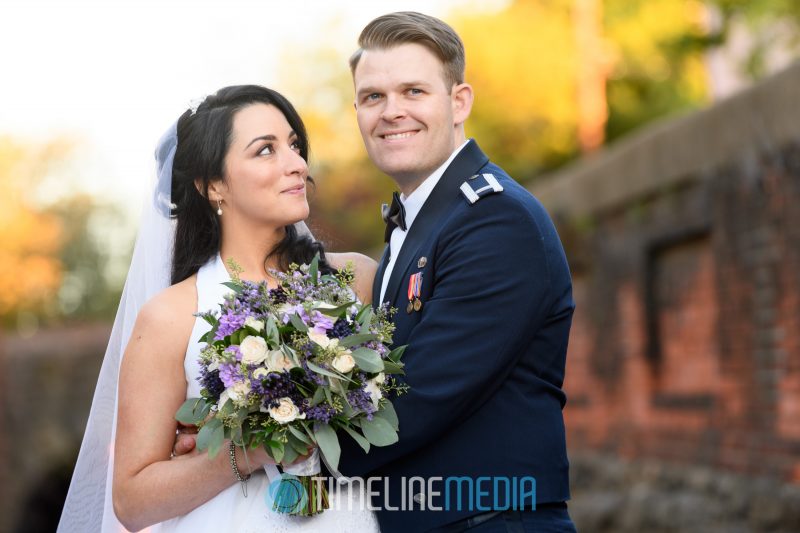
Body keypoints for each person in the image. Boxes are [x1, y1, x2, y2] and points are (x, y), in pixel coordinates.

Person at [58, 85, 380, 532]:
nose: (296, 164)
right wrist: (251, 449)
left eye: (294, 145)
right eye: (265, 150)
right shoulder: (171, 317)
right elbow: (131, 501)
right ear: (213, 186)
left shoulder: (357, 280)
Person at [332, 12, 577, 532]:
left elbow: (416, 401)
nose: (391, 112)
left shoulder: (495, 218)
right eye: (373, 97)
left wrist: (266, 447)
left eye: (413, 91)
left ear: (459, 101)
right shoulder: (424, 219)